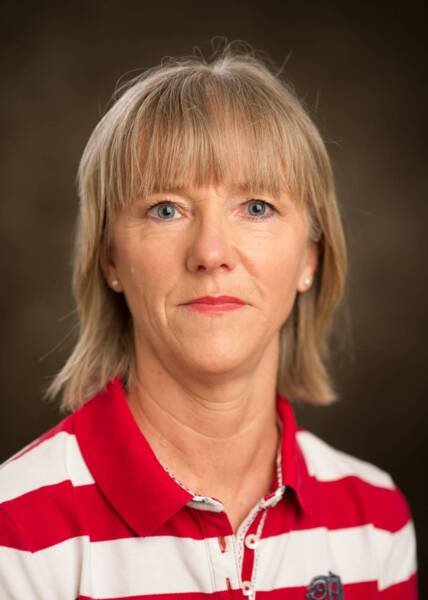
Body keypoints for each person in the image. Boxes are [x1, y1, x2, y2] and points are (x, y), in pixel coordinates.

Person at [0, 43, 418, 599]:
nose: (211, 252)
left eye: (257, 207)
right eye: (166, 209)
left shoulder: (375, 520)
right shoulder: (16, 532)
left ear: (310, 258)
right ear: (110, 259)